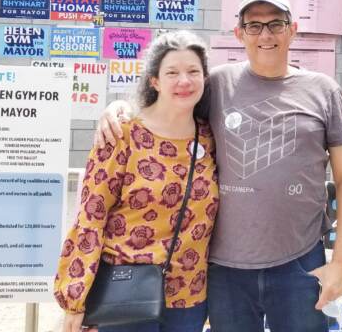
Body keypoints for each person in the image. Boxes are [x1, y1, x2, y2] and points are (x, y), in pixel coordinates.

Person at [96, 0, 342, 332]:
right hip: (225, 270)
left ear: (292, 30)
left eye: (275, 24)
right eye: (254, 25)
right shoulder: (218, 84)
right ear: (240, 34)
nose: (265, 34)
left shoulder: (323, 90)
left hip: (300, 264)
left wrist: (341, 264)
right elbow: (170, 101)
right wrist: (120, 107)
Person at [55, 30, 219, 332]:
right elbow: (90, 217)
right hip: (125, 295)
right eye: (172, 72)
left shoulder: (209, 138)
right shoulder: (122, 134)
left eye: (193, 71)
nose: (184, 81)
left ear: (205, 79)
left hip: (188, 297)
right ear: (154, 81)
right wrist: (75, 298)